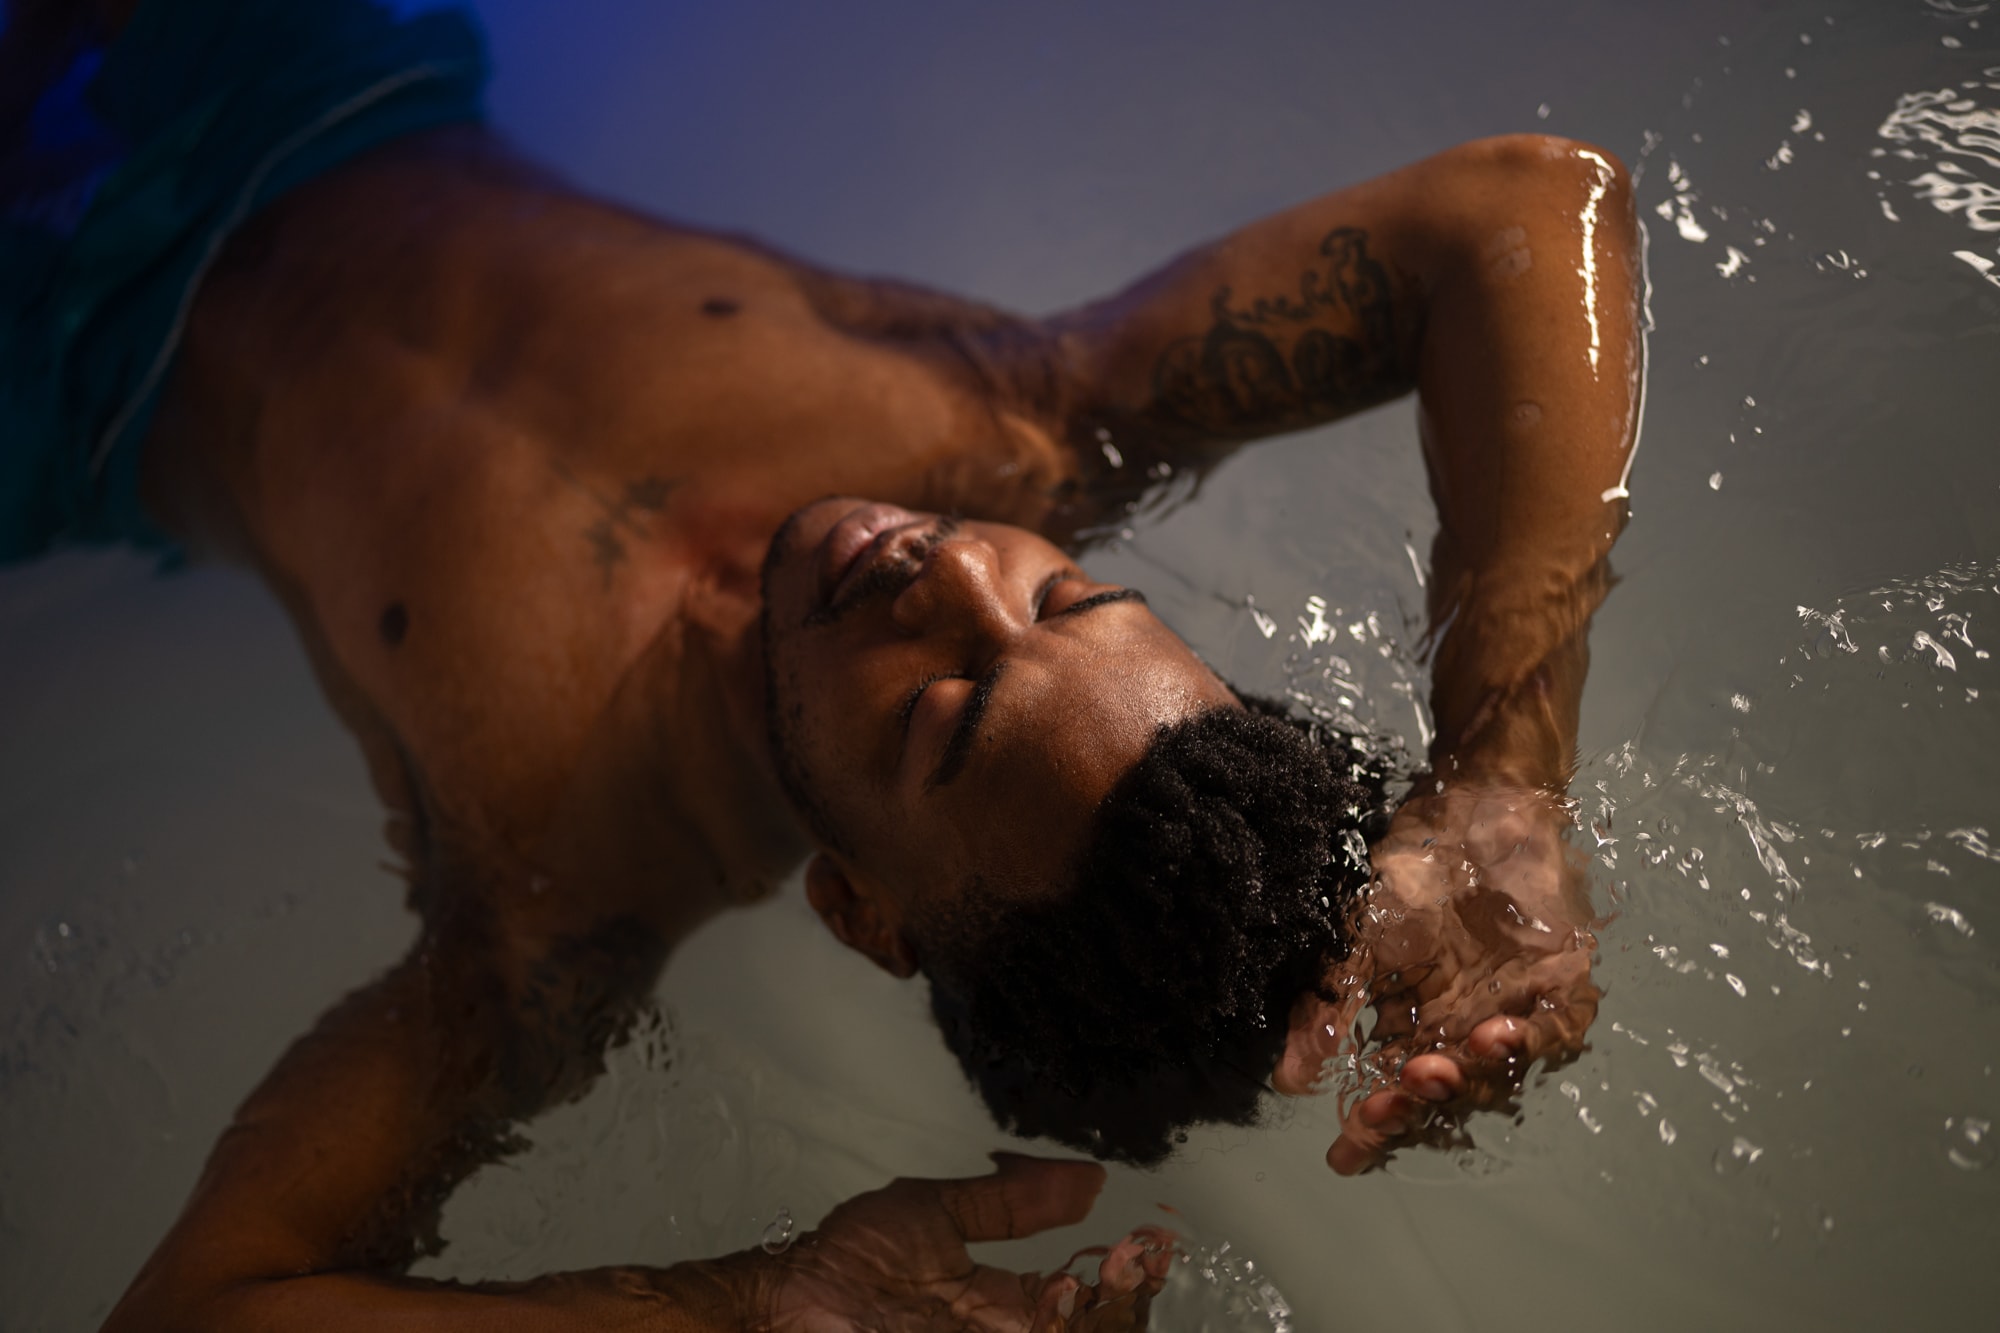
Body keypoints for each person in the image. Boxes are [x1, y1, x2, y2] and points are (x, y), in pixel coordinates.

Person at [2, 0, 1642, 1326]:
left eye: (938, 713)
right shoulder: (1007, 417)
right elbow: (1524, 209)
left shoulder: (546, 909)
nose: (950, 570)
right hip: (300, 70)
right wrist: (1504, 778)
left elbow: (193, 1311)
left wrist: (736, 1305)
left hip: (61, 376)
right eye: (1068, 594)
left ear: (860, 909)